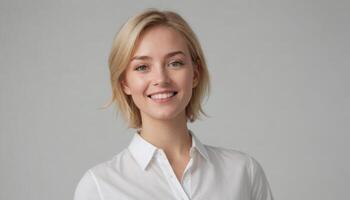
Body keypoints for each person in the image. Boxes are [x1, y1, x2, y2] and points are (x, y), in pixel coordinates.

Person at [74, 9, 274, 200]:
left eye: (175, 63)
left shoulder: (243, 172)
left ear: (195, 74)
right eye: (142, 67)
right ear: (125, 82)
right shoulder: (100, 187)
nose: (161, 79)